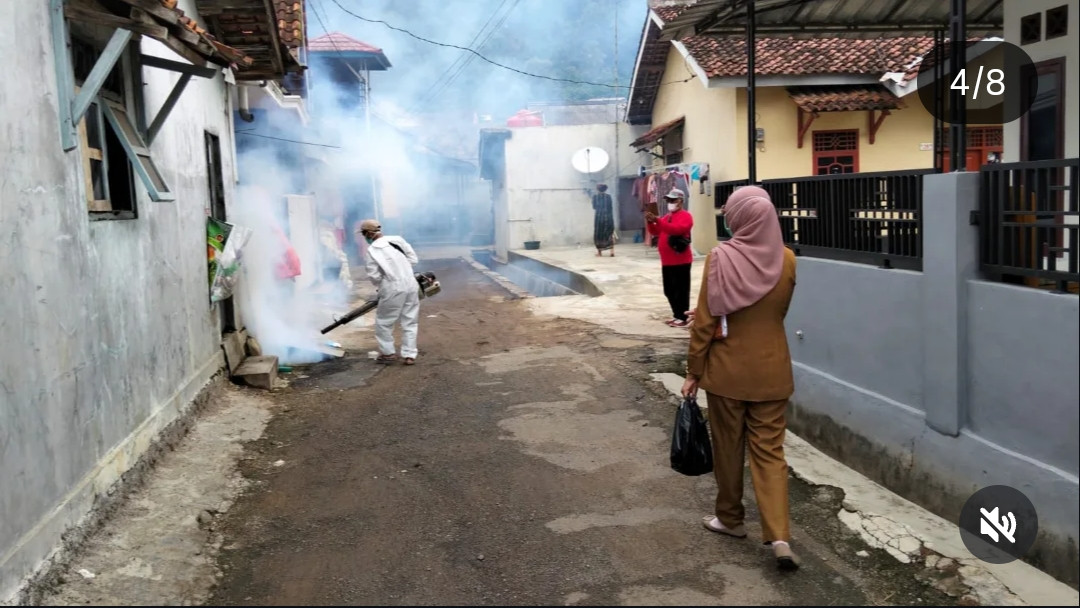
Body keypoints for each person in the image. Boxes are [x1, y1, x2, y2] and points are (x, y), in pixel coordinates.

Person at [680, 185, 799, 571]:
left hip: (727, 374)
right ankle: (779, 537)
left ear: (736, 217)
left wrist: (693, 372)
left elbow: (705, 323)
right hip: (772, 370)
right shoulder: (788, 260)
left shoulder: (720, 258)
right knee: (770, 453)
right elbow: (777, 312)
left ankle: (730, 519)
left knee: (728, 447)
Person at [357, 219, 421, 365]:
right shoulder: (397, 240)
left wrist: (385, 283)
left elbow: (374, 275)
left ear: (367, 233)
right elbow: (413, 259)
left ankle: (388, 353)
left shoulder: (372, 250)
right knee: (410, 320)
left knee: (384, 322)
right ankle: (410, 355)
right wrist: (402, 270)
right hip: (411, 282)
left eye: (364, 234)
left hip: (392, 286)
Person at [646, 188, 694, 327]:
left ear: (680, 201)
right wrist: (651, 221)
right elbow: (656, 231)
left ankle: (682, 317)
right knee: (669, 290)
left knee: (681, 291)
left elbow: (676, 229)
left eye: (673, 200)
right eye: (668, 200)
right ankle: (677, 315)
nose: (670, 203)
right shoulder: (666, 217)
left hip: (681, 261)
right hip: (667, 262)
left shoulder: (686, 216)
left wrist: (658, 221)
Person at [592, 184, 616, 257]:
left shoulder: (595, 197)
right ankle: (612, 252)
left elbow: (594, 207)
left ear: (597, 189)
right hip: (608, 217)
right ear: (605, 189)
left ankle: (599, 253)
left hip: (599, 218)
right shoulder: (608, 197)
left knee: (598, 234)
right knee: (609, 233)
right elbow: (610, 208)